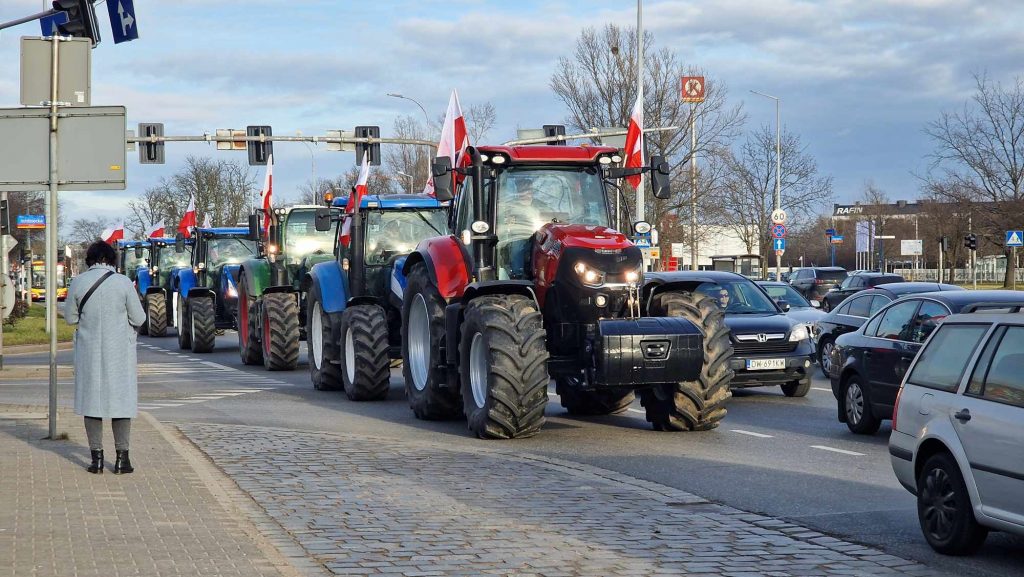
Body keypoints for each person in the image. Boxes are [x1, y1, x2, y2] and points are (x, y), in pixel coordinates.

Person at [65, 240, 147, 474]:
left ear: (89, 259)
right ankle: (123, 459)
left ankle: (96, 460)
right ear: (112, 260)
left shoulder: (78, 282)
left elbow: (70, 318)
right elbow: (139, 318)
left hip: (89, 352)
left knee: (92, 404)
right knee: (121, 404)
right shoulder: (123, 284)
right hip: (119, 352)